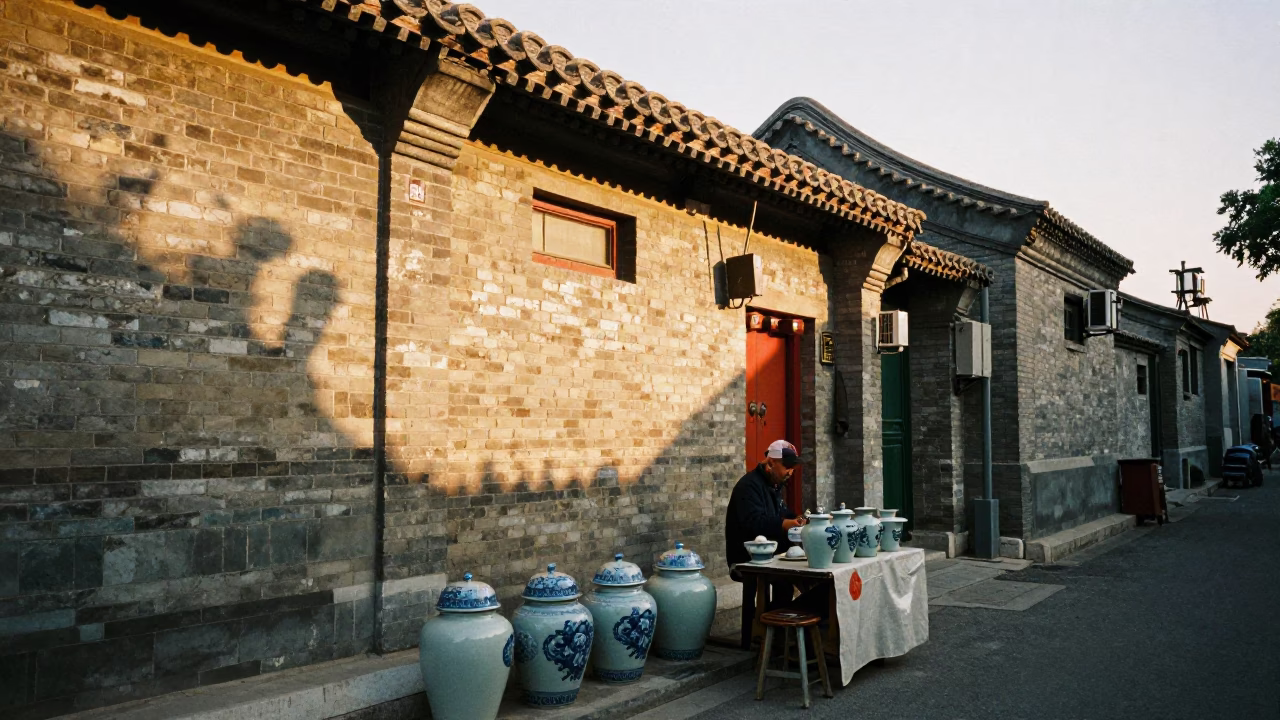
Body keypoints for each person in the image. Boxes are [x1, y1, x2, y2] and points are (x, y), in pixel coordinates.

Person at [725, 439, 812, 648]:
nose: (790, 472)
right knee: (784, 581)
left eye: (793, 468)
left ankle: (776, 631)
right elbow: (756, 524)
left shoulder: (773, 485)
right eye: (787, 467)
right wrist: (786, 524)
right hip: (747, 557)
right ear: (771, 463)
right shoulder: (748, 486)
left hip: (771, 554)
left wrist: (798, 520)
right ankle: (767, 630)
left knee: (802, 579)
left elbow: (784, 514)